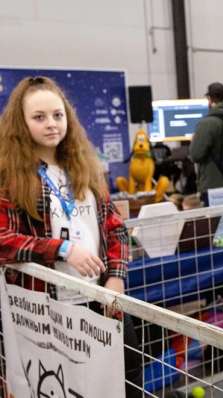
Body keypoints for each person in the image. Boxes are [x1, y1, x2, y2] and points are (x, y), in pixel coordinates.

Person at [0, 76, 141, 396]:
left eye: (57, 115)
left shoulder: (83, 167)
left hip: (102, 302)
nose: (51, 124)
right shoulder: (9, 175)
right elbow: (2, 239)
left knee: (126, 381)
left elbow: (115, 227)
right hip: (49, 313)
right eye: (39, 117)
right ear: (21, 123)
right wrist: (59, 248)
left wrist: (116, 280)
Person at [190, 82, 223, 205]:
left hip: (213, 188)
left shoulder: (207, 123)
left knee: (214, 224)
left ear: (210, 98)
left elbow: (196, 154)